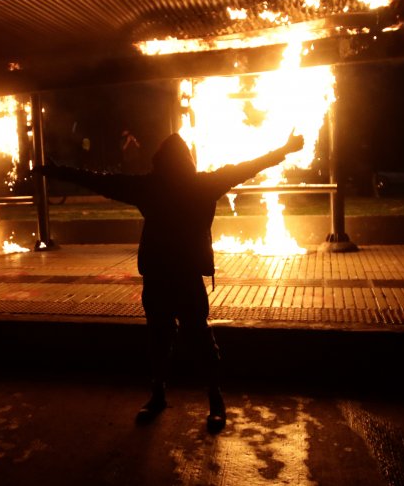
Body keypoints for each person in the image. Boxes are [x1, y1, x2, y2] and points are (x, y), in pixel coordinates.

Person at [37, 131, 304, 434]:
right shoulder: (198, 183)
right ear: (187, 160)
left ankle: (163, 394)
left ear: (160, 161)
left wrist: (57, 170)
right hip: (178, 273)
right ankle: (210, 399)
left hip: (165, 273)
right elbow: (249, 166)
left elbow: (101, 180)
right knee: (195, 337)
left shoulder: (154, 186)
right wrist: (284, 148)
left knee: (162, 337)